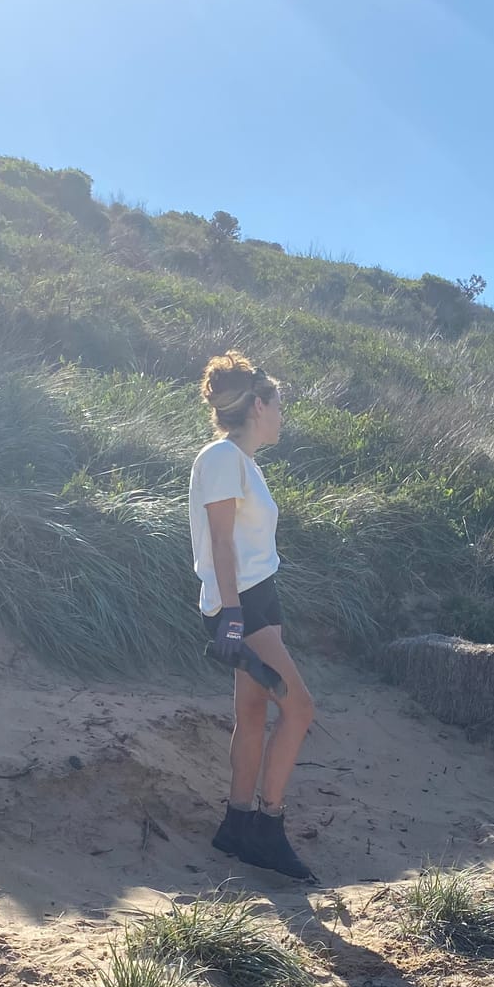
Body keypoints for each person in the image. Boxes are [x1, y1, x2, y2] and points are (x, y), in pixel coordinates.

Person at [187, 351, 317, 882]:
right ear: (258, 405)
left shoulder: (245, 464)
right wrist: (233, 619)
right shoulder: (220, 458)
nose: (283, 414)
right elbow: (220, 543)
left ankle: (236, 825)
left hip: (260, 599)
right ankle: (268, 826)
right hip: (239, 606)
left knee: (256, 715)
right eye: (279, 404)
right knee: (301, 709)